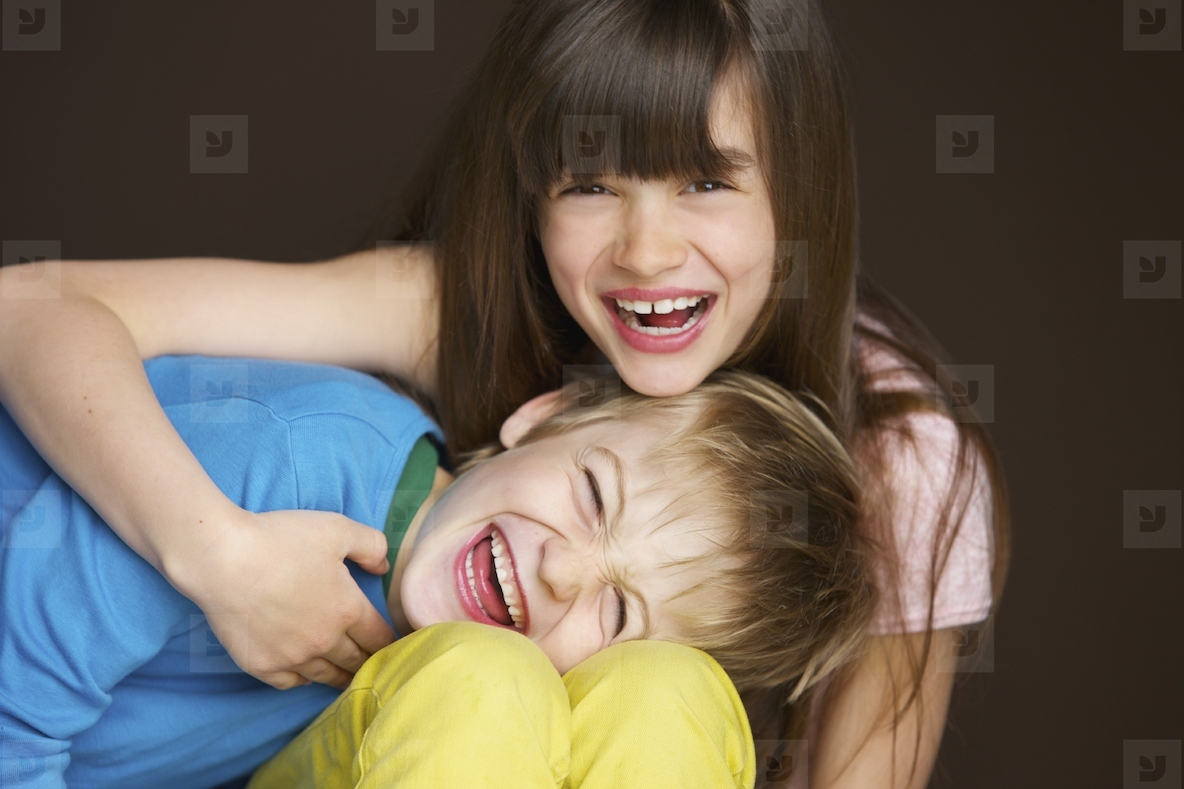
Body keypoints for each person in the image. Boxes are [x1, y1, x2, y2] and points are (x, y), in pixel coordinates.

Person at [0, 0, 1009, 785]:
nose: (647, 253)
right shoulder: (449, 321)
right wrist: (216, 552)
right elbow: (30, 305)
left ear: (801, 193)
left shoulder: (895, 459)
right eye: (588, 184)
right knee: (483, 681)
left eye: (705, 182)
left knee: (661, 692)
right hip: (309, 718)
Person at [0, 355, 870, 787]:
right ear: (544, 417)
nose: (567, 571)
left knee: (658, 690)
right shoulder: (305, 461)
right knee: (485, 682)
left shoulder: (452, 670)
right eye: (595, 495)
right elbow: (20, 676)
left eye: (618, 616)